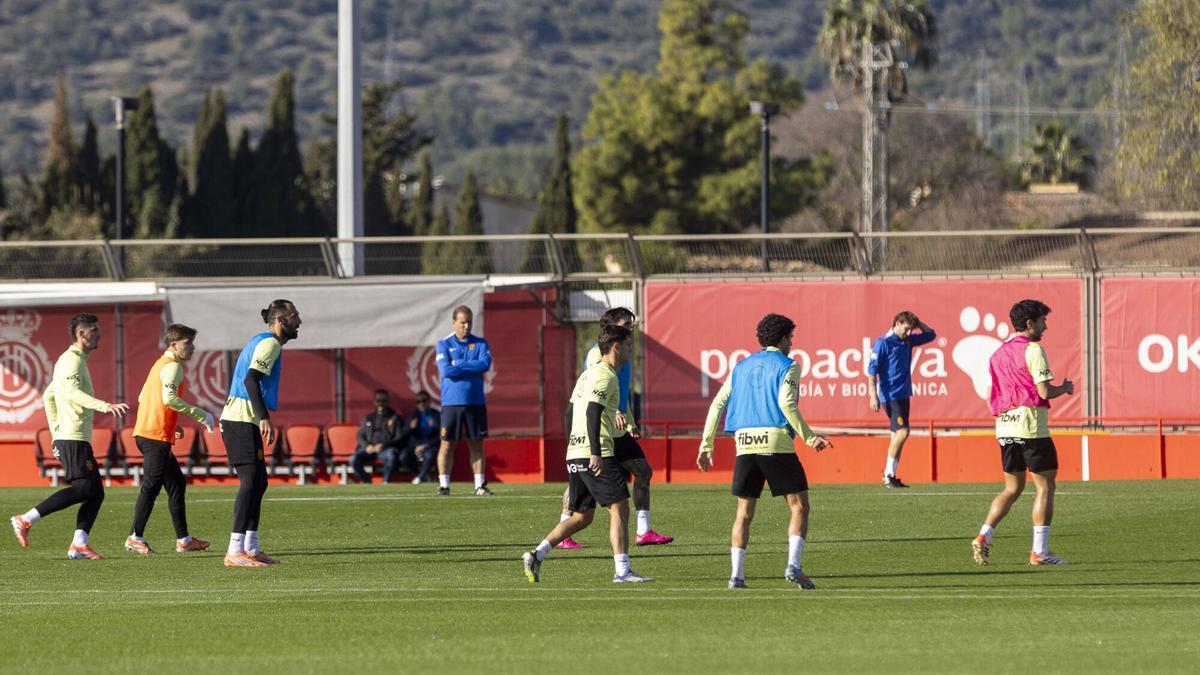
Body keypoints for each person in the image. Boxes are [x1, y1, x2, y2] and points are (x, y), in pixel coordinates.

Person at [697, 313, 832, 590]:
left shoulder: (741, 367)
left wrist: (706, 444)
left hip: (744, 443)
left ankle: (736, 576)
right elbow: (786, 404)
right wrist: (809, 438)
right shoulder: (788, 366)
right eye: (790, 338)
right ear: (782, 339)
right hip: (775, 442)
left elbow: (716, 404)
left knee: (744, 512)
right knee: (799, 506)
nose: (792, 343)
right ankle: (793, 566)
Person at [522, 323, 651, 584]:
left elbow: (570, 412)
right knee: (620, 508)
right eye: (627, 345)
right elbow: (592, 411)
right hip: (597, 452)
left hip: (576, 451)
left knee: (582, 516)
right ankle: (622, 571)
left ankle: (537, 554)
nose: (630, 350)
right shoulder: (606, 375)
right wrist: (594, 453)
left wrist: (574, 446)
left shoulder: (586, 374)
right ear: (616, 346)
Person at [9, 313, 129, 559]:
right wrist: (104, 406)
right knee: (84, 488)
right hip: (72, 437)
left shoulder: (76, 360)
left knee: (95, 492)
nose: (99, 334)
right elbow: (72, 393)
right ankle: (25, 519)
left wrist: (55, 433)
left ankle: (79, 544)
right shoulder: (70, 361)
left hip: (72, 436)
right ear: (82, 334)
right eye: (94, 330)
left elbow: (48, 395)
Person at [556, 307, 672, 550]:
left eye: (631, 323)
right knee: (582, 479)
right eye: (625, 323)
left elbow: (621, 394)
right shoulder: (598, 355)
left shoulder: (625, 353)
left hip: (618, 427)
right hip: (602, 428)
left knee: (643, 470)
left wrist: (628, 418)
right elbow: (593, 395)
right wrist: (617, 413)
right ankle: (565, 529)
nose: (630, 327)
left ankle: (643, 531)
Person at [972, 299, 1074, 567]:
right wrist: (1064, 388)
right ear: (1029, 324)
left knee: (1011, 489)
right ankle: (1039, 552)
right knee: (1045, 486)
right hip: (1031, 427)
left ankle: (984, 535)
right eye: (1042, 321)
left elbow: (989, 394)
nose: (1045, 326)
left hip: (1005, 427)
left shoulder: (997, 355)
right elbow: (1043, 391)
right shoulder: (1033, 350)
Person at [219, 299, 301, 567]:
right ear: (281, 320)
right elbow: (251, 379)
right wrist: (263, 417)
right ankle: (234, 551)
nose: (299, 321)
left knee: (259, 483)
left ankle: (251, 548)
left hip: (244, 419)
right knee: (250, 483)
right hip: (241, 419)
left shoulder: (263, 340)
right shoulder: (270, 343)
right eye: (295, 316)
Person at [125, 324, 217, 555]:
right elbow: (169, 398)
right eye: (188, 343)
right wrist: (201, 414)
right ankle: (135, 536)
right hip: (154, 436)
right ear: (174, 345)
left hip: (149, 433)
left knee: (176, 483)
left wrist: (171, 425)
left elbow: (143, 396)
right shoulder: (173, 367)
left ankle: (184, 540)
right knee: (151, 487)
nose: (193, 348)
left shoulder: (160, 364)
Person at [867, 311, 936, 488]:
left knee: (896, 436)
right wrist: (873, 395)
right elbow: (872, 371)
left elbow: (931, 335)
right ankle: (888, 474)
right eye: (906, 329)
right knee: (903, 432)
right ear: (897, 323)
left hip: (904, 394)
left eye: (910, 330)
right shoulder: (883, 343)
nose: (908, 333)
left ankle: (891, 475)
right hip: (890, 396)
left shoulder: (907, 340)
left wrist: (917, 323)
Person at [435, 305, 493, 496]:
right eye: (462, 322)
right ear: (454, 323)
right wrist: (471, 366)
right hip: (451, 403)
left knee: (477, 444)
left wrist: (459, 364)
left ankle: (479, 485)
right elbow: (446, 370)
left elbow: (484, 364)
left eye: (469, 322)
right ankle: (444, 485)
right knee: (447, 444)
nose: (466, 326)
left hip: (475, 402)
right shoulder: (443, 344)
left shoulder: (481, 343)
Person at [350, 389, 405, 484]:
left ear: (387, 401)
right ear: (374, 402)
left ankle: (385, 481)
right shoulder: (369, 418)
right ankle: (367, 481)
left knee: (392, 456)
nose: (381, 403)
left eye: (383, 401)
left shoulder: (394, 417)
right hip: (370, 449)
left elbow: (399, 437)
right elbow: (360, 435)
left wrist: (383, 445)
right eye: (378, 401)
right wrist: (366, 446)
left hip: (385, 449)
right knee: (353, 459)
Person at [405, 391, 440, 485]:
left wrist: (425, 445)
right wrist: (411, 428)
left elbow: (440, 435)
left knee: (429, 455)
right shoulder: (413, 415)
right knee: (403, 456)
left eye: (424, 401)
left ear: (429, 401)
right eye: (418, 402)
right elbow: (404, 434)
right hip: (415, 445)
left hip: (430, 445)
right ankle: (421, 475)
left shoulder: (435, 415)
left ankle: (420, 478)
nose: (421, 404)